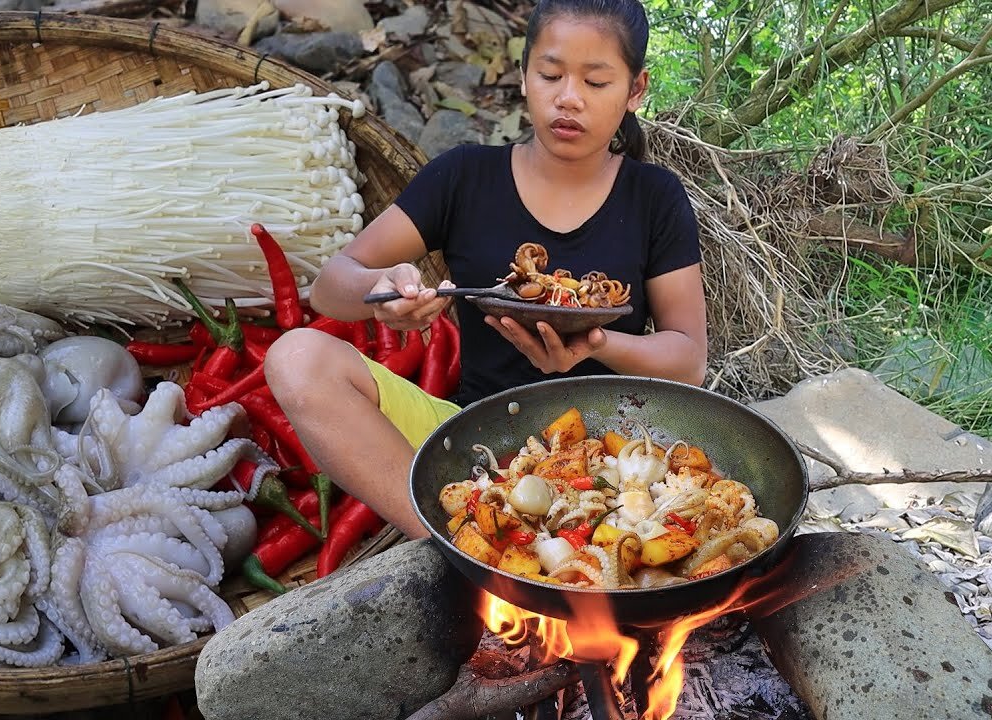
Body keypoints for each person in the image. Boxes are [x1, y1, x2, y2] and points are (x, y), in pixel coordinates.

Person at [263, 0, 707, 540]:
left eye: (595, 82)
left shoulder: (653, 196)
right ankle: (452, 543)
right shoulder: (464, 177)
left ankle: (493, 542)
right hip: (476, 444)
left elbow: (688, 360)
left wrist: (596, 344)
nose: (568, 98)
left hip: (617, 461)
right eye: (550, 74)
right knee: (298, 357)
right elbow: (331, 288)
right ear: (524, 76)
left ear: (635, 90)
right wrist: (386, 289)